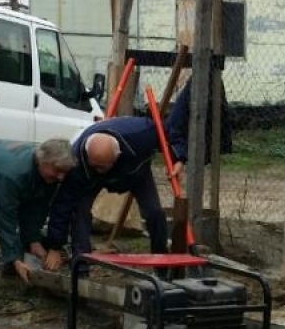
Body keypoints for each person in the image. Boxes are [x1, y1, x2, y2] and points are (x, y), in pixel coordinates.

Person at [42, 80, 192, 272]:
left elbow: (170, 132)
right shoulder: (77, 163)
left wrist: (178, 157)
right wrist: (54, 246)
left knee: (154, 213)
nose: (102, 170)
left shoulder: (141, 133)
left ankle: (161, 264)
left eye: (105, 166)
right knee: (79, 212)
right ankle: (80, 268)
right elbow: (62, 204)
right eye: (97, 166)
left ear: (117, 154)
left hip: (135, 173)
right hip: (90, 181)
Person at [0, 138, 76, 309]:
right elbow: (5, 218)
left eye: (64, 172)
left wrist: (33, 241)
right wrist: (14, 259)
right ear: (42, 161)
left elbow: (35, 210)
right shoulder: (12, 174)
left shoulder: (46, 174)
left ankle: (11, 267)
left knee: (1, 211)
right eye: (57, 170)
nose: (61, 176)